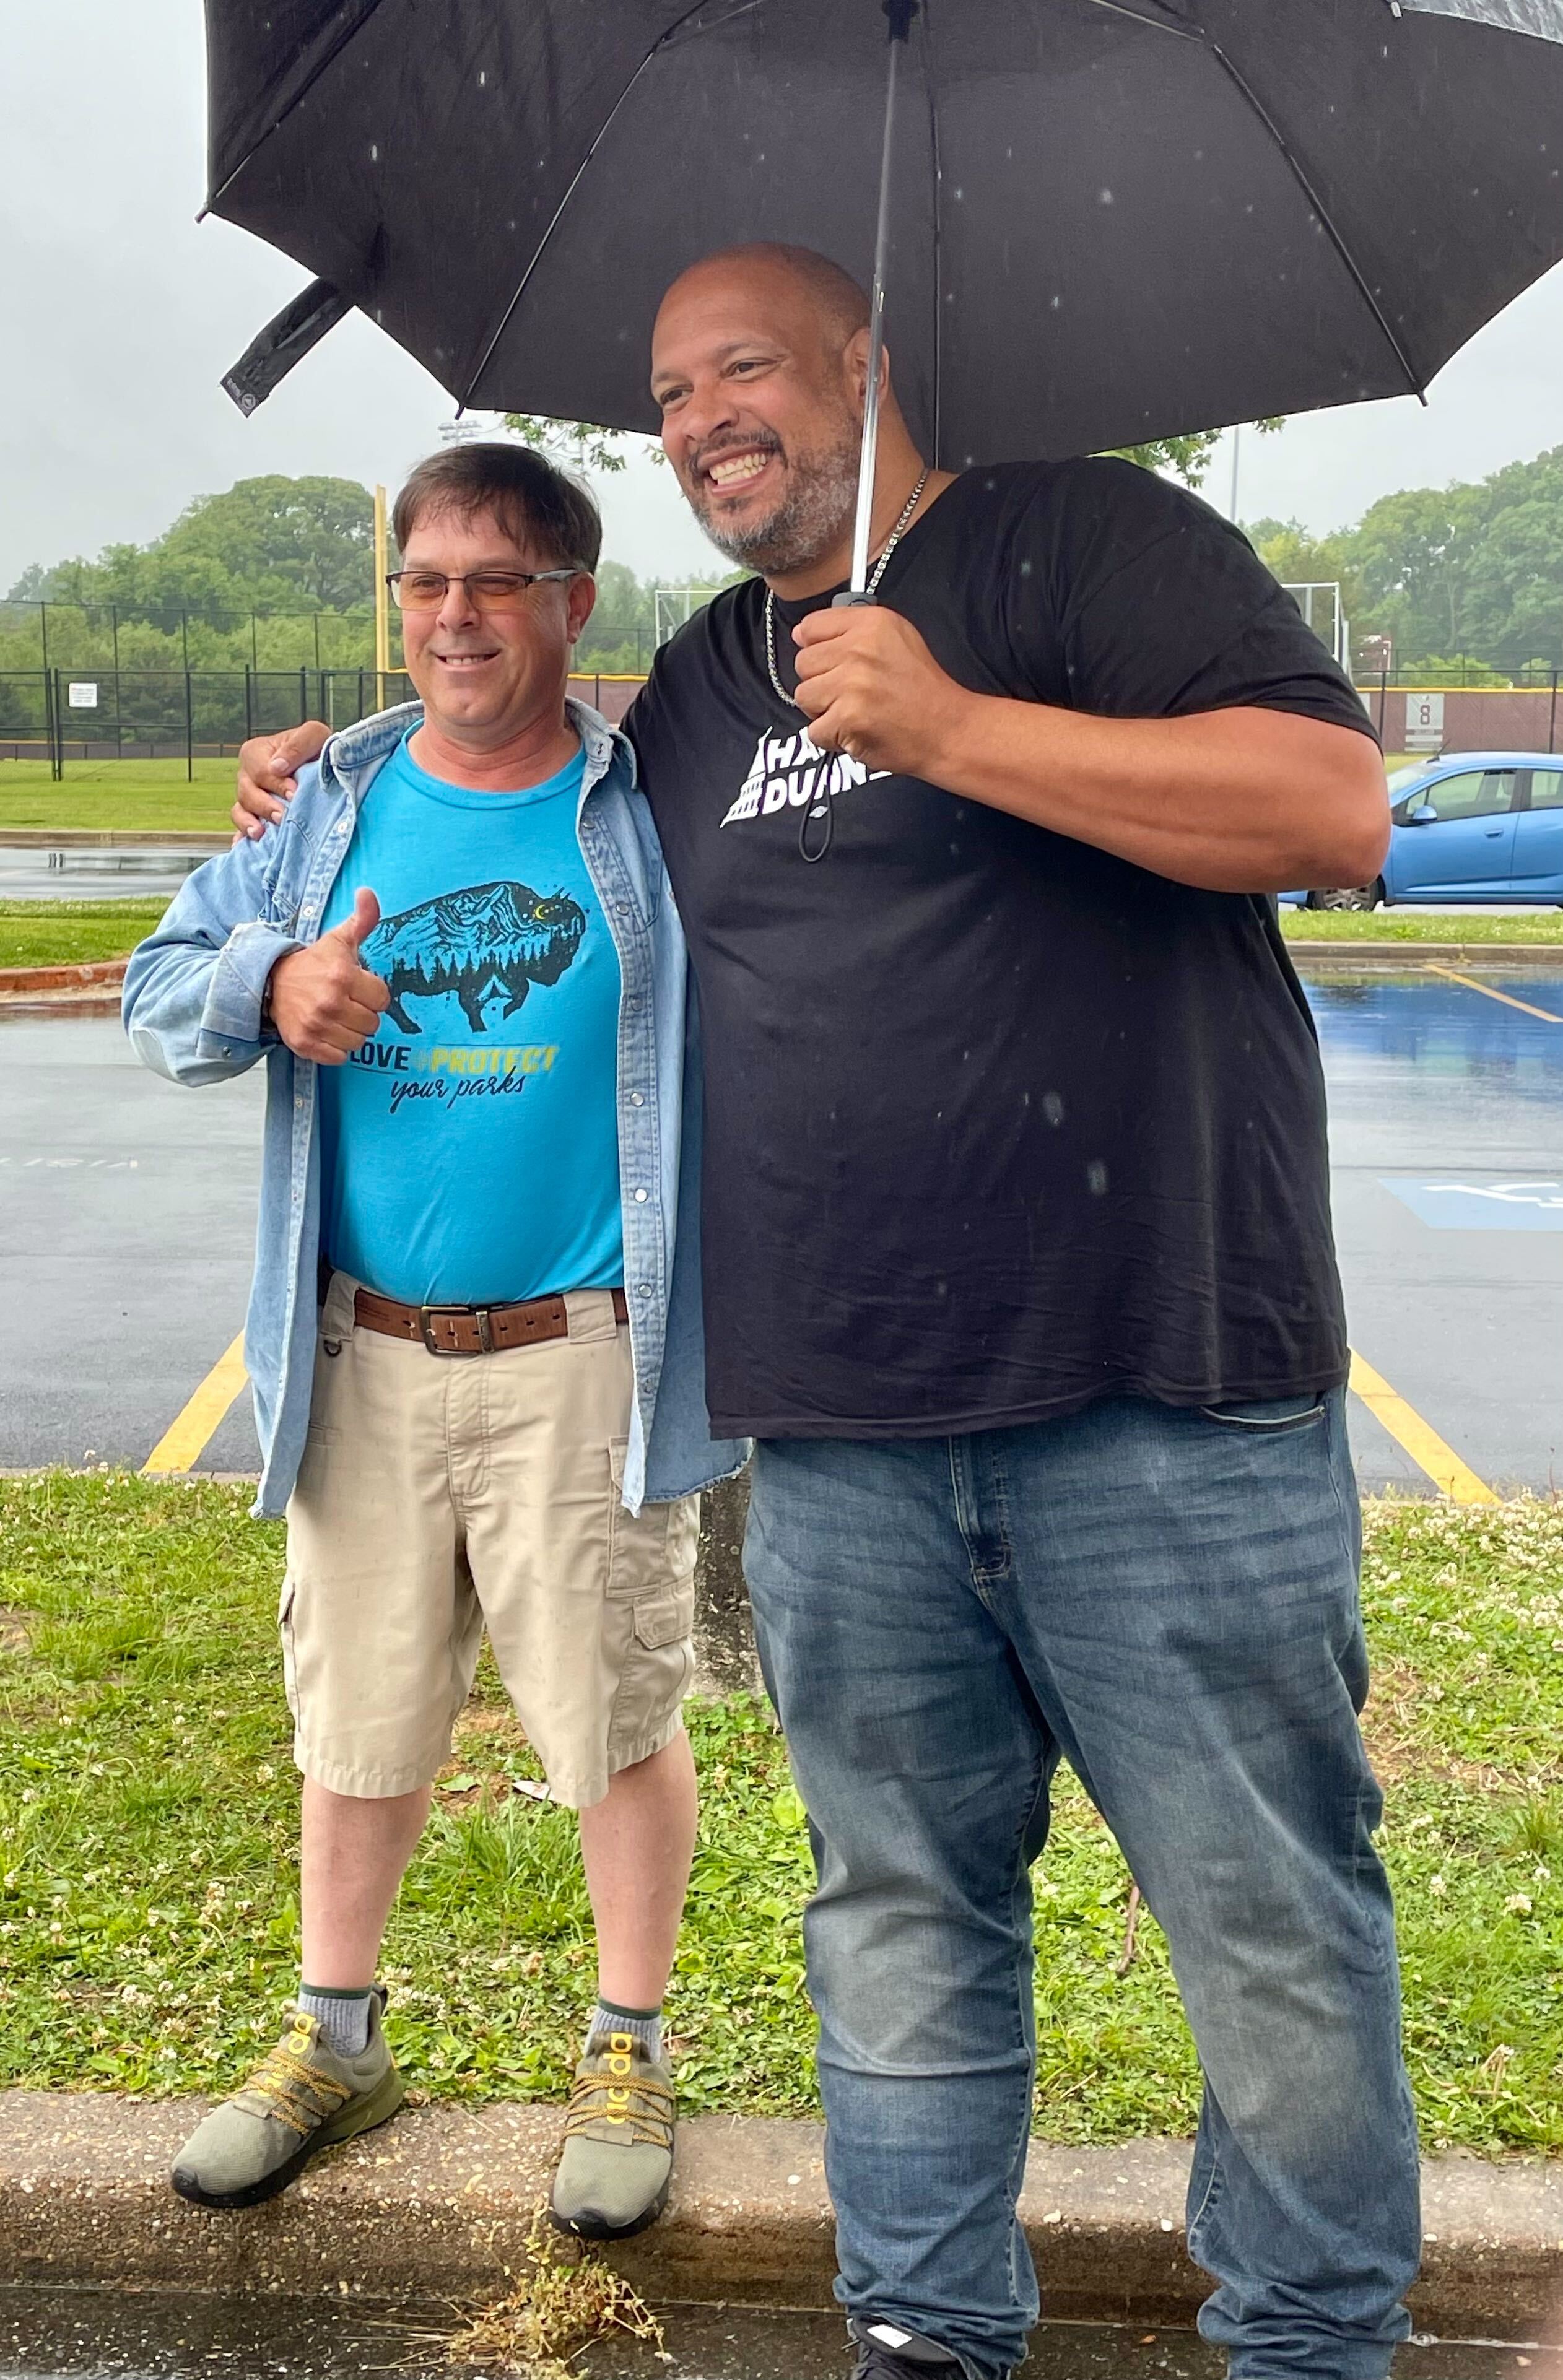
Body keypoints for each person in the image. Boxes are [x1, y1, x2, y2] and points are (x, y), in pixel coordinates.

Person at [233, 246, 1416, 2380]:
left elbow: (1330, 815)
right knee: (895, 1924)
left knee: (1266, 1928)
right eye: (670, 392)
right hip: (848, 1427)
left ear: (869, 361)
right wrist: (323, 783)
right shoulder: (699, 685)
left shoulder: (1082, 538)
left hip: (1164, 1394)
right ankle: (928, 2335)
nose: (698, 420)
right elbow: (524, 794)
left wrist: (956, 727)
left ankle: (1312, 2343)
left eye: (746, 367)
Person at [126, 441, 746, 2239]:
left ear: (571, 603)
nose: (454, 614)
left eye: (496, 580)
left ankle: (626, 2043)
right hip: (358, 1348)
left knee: (616, 1710)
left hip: (580, 1345)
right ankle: (337, 2036)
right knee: (357, 1710)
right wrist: (267, 983)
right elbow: (166, 989)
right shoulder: (321, 809)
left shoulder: (650, 807)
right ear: (393, 600)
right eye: (423, 581)